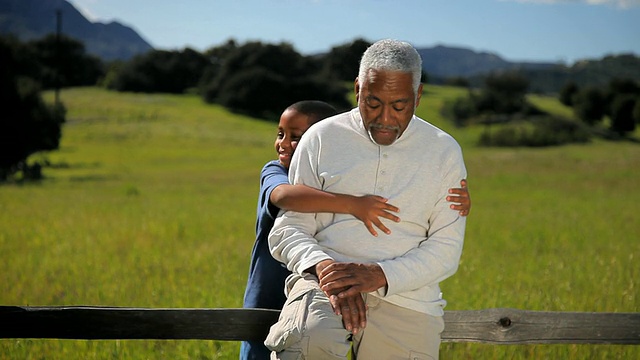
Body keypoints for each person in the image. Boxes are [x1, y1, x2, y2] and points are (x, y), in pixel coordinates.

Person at [265, 39, 468, 359]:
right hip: (322, 287)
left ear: (418, 96)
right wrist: (325, 269)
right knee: (308, 341)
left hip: (408, 297)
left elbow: (446, 250)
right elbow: (288, 229)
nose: (385, 118)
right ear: (358, 88)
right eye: (373, 103)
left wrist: (378, 276)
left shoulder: (444, 152)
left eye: (399, 106)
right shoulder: (320, 138)